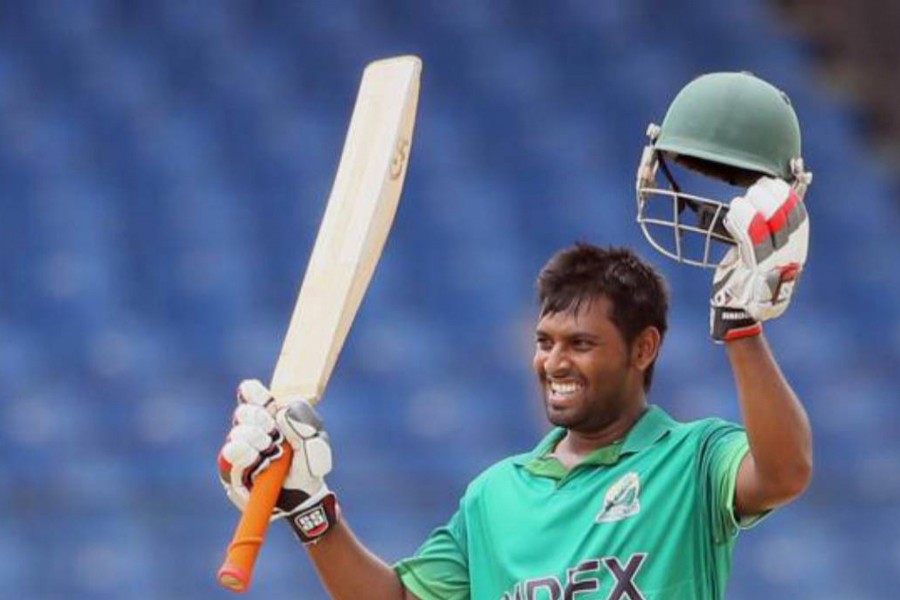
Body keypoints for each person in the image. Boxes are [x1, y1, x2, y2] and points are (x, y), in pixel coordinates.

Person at [218, 72, 813, 599]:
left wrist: (742, 329)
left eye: (580, 344)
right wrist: (309, 506)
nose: (554, 361)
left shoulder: (693, 460)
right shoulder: (495, 496)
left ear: (643, 348)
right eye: (545, 341)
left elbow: (784, 473)